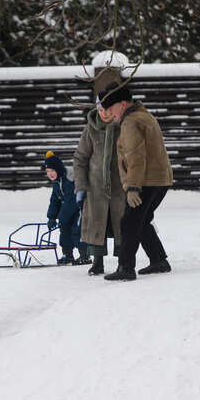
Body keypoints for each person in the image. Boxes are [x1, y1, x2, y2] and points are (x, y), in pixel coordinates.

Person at [99, 82, 174, 281]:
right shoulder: (145, 115)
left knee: (130, 222)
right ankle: (158, 260)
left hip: (144, 181)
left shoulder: (131, 121)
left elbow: (136, 157)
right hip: (160, 179)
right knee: (142, 220)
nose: (109, 113)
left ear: (122, 104)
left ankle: (126, 268)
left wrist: (133, 188)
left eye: (111, 108)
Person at [73, 97, 126, 276]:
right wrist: (81, 187)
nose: (103, 114)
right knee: (96, 224)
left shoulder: (123, 127)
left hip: (120, 186)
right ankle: (97, 261)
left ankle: (123, 260)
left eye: (107, 110)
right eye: (100, 110)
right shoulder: (90, 129)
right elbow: (80, 159)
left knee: (121, 223)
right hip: (96, 187)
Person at [44, 151, 90, 265]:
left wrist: (61, 218)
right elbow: (54, 201)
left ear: (58, 169)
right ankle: (68, 255)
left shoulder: (70, 180)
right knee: (64, 231)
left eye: (52, 171)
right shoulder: (56, 182)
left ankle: (85, 256)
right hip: (68, 211)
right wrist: (52, 218)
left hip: (80, 208)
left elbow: (71, 201)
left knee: (77, 231)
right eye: (47, 171)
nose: (50, 174)